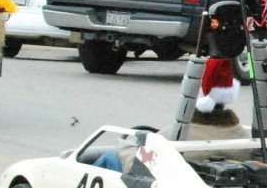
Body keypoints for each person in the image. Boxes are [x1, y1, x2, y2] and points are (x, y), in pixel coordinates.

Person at [100, 58, 250, 172]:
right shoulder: (242, 136)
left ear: (192, 94)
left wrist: (124, 147)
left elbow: (137, 164)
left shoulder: (176, 134)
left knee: (109, 158)